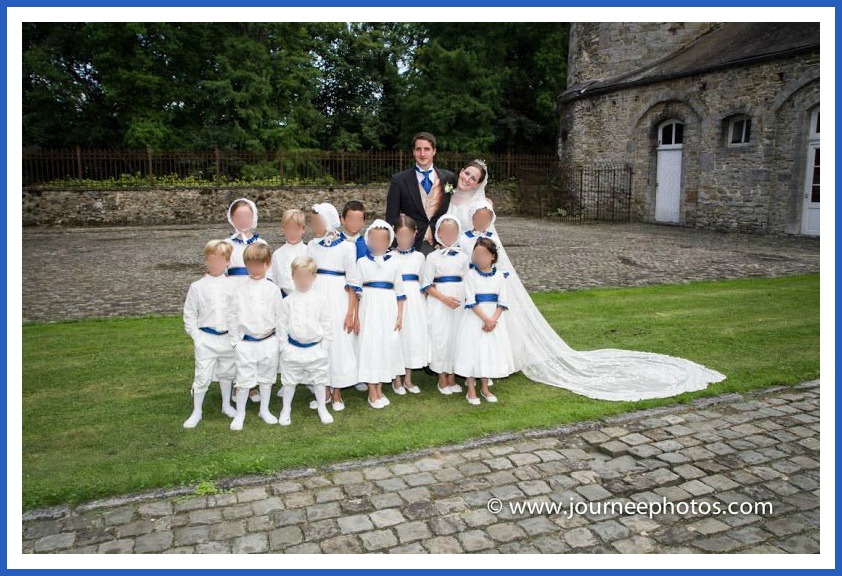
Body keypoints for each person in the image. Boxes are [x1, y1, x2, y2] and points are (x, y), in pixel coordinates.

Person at [446, 160, 726, 401]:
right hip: (456, 265)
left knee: (478, 315)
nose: (466, 178)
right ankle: (467, 364)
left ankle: (486, 367)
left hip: (477, 266)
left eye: (473, 177)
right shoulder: (450, 192)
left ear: (480, 183)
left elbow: (488, 242)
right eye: (466, 173)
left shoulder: (481, 205)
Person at [307, 203, 360, 410]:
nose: (314, 226)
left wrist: (351, 312)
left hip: (338, 298)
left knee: (338, 344)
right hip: (316, 297)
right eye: (312, 222)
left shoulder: (347, 246)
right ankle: (324, 390)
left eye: (317, 221)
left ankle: (337, 393)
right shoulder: (312, 246)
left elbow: (353, 282)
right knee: (320, 344)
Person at [182, 239, 237, 428]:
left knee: (227, 372)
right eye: (212, 260)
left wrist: (235, 336)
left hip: (227, 338)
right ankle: (197, 410)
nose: (216, 264)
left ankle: (226, 404)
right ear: (206, 260)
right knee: (202, 375)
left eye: (220, 260)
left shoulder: (233, 286)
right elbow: (189, 314)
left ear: (228, 262)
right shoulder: (197, 287)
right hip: (206, 338)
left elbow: (237, 313)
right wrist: (197, 337)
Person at [453, 237, 515, 405]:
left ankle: (485, 387)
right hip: (475, 317)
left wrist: (493, 320)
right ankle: (471, 389)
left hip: (493, 320)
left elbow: (503, 301)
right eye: (477, 255)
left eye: (483, 255)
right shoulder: (470, 275)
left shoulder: (501, 276)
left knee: (487, 352)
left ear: (492, 257)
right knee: (472, 352)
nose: (480, 258)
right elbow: (470, 300)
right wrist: (485, 319)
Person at [227, 242, 282, 431]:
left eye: (259, 264)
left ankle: (264, 410)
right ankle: (240, 413)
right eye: (250, 264)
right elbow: (232, 316)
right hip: (246, 343)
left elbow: (280, 316)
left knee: (267, 379)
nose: (255, 268)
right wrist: (235, 342)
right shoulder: (240, 289)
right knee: (244, 380)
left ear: (267, 264)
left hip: (268, 341)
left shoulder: (273, 289)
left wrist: (278, 341)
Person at [277, 256, 334, 426]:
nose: (303, 280)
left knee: (319, 380)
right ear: (293, 277)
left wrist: (324, 347)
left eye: (307, 276)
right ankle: (285, 409)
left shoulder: (320, 299)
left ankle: (322, 408)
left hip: (316, 348)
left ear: (314, 277)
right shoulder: (287, 302)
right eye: (299, 276)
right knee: (289, 381)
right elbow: (281, 327)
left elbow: (327, 325)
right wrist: (285, 347)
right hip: (293, 349)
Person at [356, 220, 406, 408]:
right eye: (374, 239)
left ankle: (380, 386)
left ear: (388, 243)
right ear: (368, 240)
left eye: (381, 240)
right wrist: (356, 316)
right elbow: (356, 291)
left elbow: (400, 292)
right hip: (369, 309)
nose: (377, 243)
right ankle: (371, 389)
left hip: (388, 307)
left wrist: (399, 316)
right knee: (370, 346)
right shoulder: (361, 263)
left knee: (385, 346)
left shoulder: (395, 262)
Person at [385, 132, 457, 255]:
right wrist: (393, 245)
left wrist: (482, 200)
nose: (422, 154)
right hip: (410, 244)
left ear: (434, 151)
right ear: (413, 152)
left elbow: (460, 198)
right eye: (418, 149)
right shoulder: (399, 180)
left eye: (427, 149)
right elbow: (392, 216)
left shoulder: (448, 178)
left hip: (442, 244)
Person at [224, 197, 267, 404]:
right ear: (232, 218)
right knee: (237, 342)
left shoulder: (261, 243)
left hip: (256, 297)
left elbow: (269, 272)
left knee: (255, 339)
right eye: (239, 216)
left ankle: (254, 384)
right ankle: (238, 384)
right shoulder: (227, 244)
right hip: (234, 296)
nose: (243, 219)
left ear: (253, 217)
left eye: (247, 215)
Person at [421, 215, 469, 395]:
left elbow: (467, 280)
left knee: (456, 337)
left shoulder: (463, 257)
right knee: (441, 338)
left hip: (459, 302)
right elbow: (426, 284)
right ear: (439, 233)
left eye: (453, 232)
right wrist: (444, 298)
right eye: (445, 231)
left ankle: (452, 376)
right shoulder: (432, 257)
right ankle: (442, 377)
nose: (449, 234)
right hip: (439, 301)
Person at [390, 215, 427, 394]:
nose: (404, 239)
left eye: (408, 235)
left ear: (415, 234)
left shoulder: (420, 257)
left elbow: (423, 281)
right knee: (397, 337)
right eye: (400, 235)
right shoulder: (389, 256)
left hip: (414, 300)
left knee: (411, 337)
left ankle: (408, 378)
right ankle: (396, 379)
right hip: (395, 300)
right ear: (395, 235)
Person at [267, 208, 308, 299]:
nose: (292, 232)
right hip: (283, 299)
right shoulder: (277, 254)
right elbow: (272, 279)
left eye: (296, 229)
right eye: (288, 228)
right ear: (283, 229)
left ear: (303, 229)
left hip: (306, 298)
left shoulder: (309, 252)